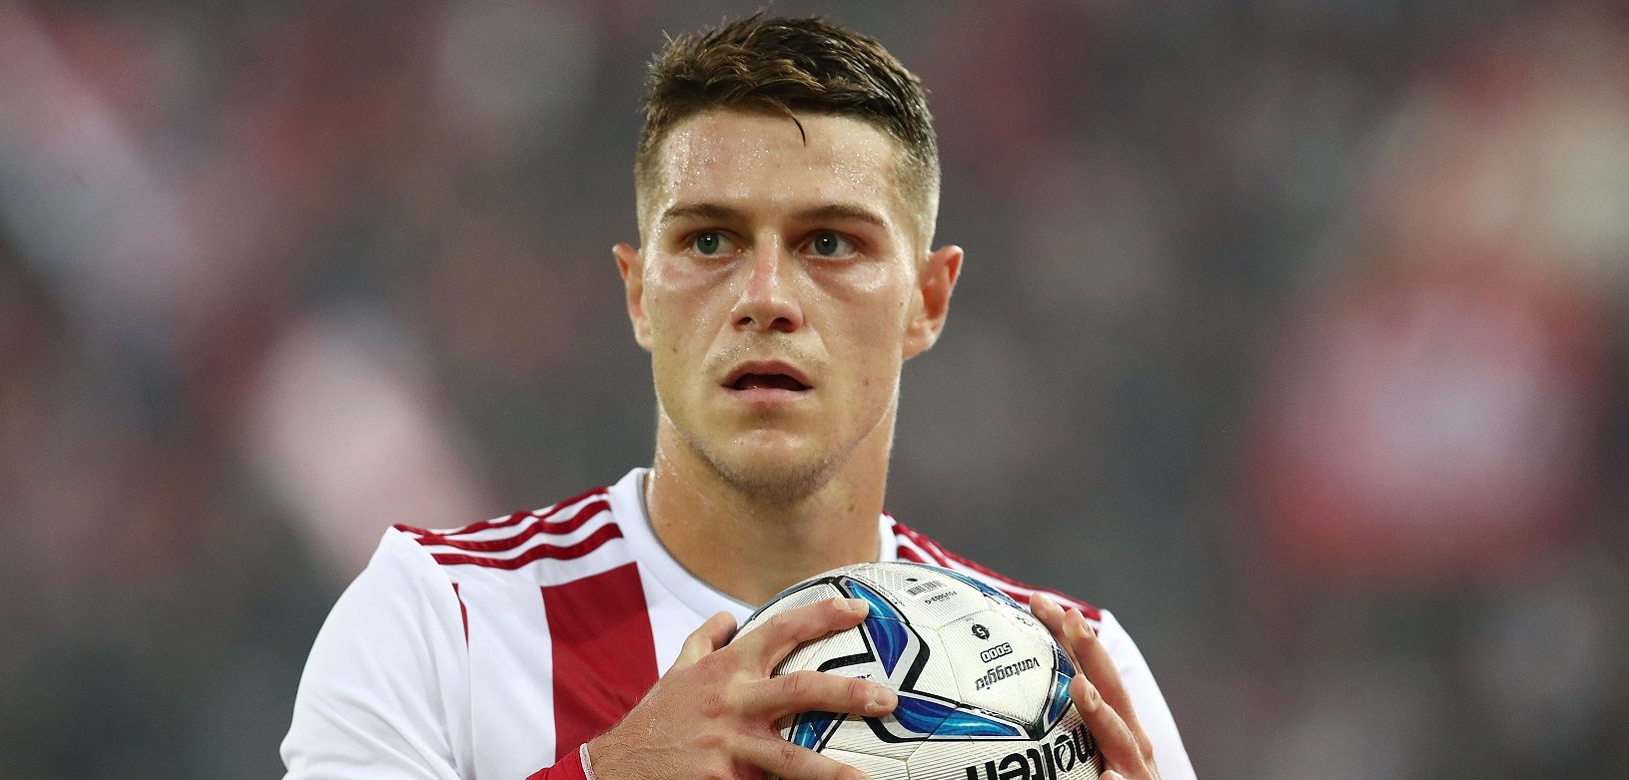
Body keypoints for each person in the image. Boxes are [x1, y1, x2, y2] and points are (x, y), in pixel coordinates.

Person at [281, 14, 1194, 780]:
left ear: (927, 300)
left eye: (829, 243)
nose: (766, 298)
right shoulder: (439, 619)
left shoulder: (1072, 680)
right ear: (640, 294)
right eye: (710, 241)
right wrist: (613, 773)